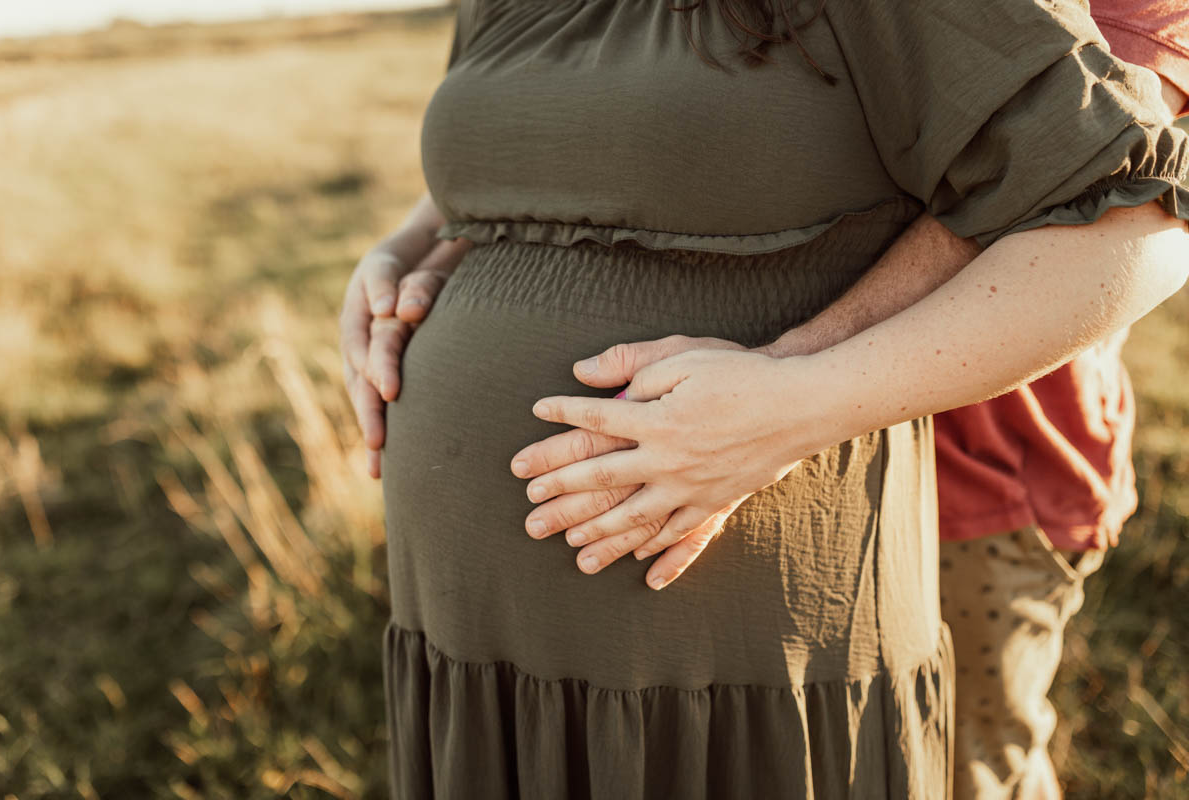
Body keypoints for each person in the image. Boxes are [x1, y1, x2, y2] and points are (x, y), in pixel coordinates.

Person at [340, 1, 1189, 796]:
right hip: (468, 647)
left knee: (987, 758)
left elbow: (1127, 204)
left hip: (751, 647)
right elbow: (550, 135)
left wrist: (795, 395)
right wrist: (413, 250)